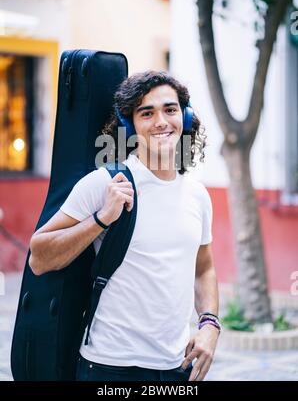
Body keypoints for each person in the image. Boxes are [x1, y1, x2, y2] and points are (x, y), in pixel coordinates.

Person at [29, 71, 220, 382]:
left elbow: (204, 268)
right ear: (131, 125)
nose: (161, 121)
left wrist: (210, 324)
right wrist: (101, 218)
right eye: (147, 113)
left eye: (170, 110)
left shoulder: (197, 194)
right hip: (109, 366)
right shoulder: (103, 184)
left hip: (177, 366)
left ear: (184, 117)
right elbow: (39, 257)